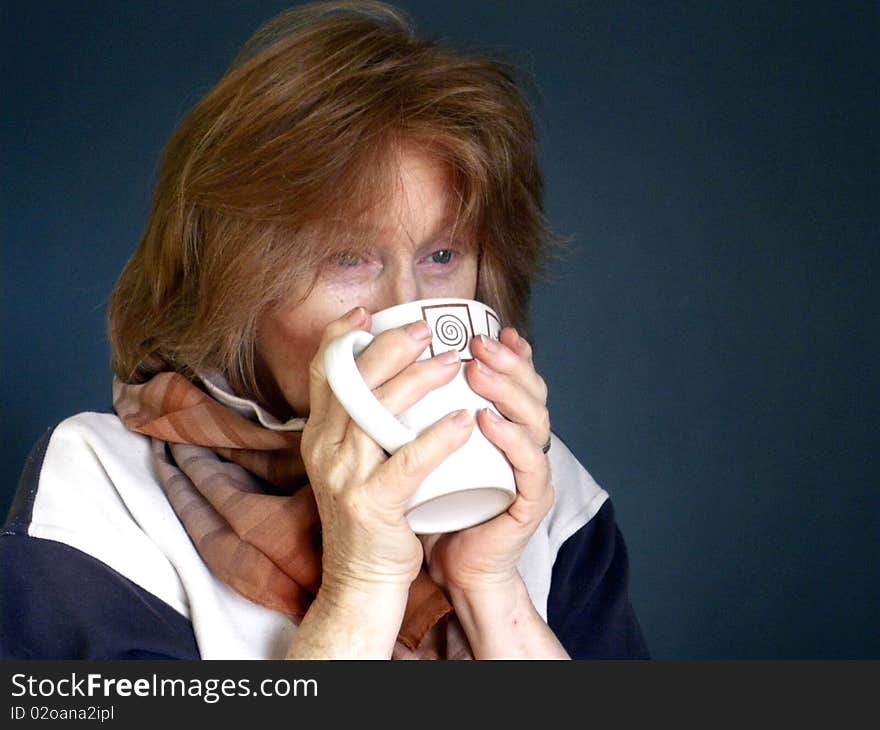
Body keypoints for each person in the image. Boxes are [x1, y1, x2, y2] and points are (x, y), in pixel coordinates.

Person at [0, 1, 649, 659]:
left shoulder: (543, 488)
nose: (410, 306)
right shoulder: (103, 485)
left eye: (442, 256)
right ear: (232, 282)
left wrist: (489, 586)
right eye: (348, 258)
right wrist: (362, 582)